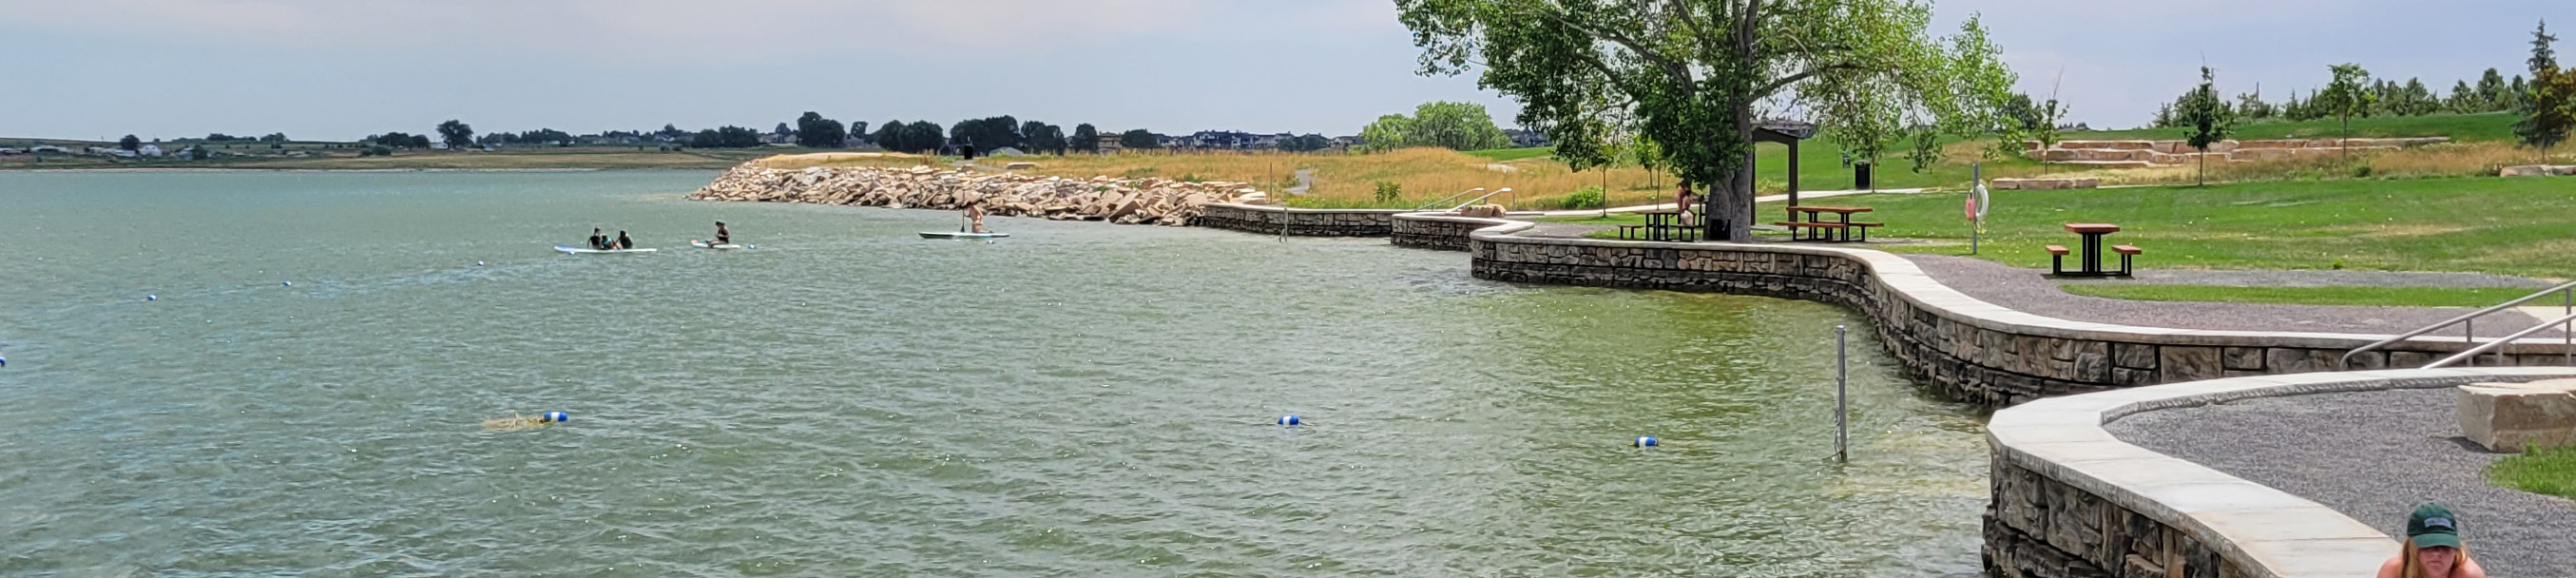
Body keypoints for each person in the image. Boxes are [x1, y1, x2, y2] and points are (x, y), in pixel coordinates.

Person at [2377, 503, 2488, 578]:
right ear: (2412, 548)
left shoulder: (2469, 575)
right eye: (2427, 545)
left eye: (2445, 546)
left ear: (2455, 550)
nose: (2436, 553)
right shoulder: (2394, 571)